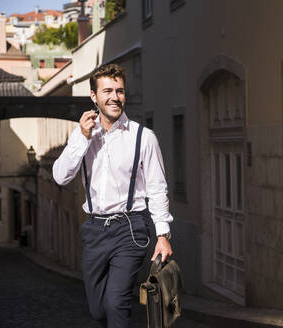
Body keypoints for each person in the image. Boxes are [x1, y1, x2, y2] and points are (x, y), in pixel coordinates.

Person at [53, 63, 173, 328]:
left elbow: (157, 188)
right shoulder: (82, 136)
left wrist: (162, 235)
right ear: (94, 96)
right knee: (97, 310)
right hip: (95, 229)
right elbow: (61, 176)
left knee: (116, 302)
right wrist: (81, 138)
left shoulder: (144, 137)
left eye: (119, 91)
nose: (114, 97)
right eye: (107, 90)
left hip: (130, 228)